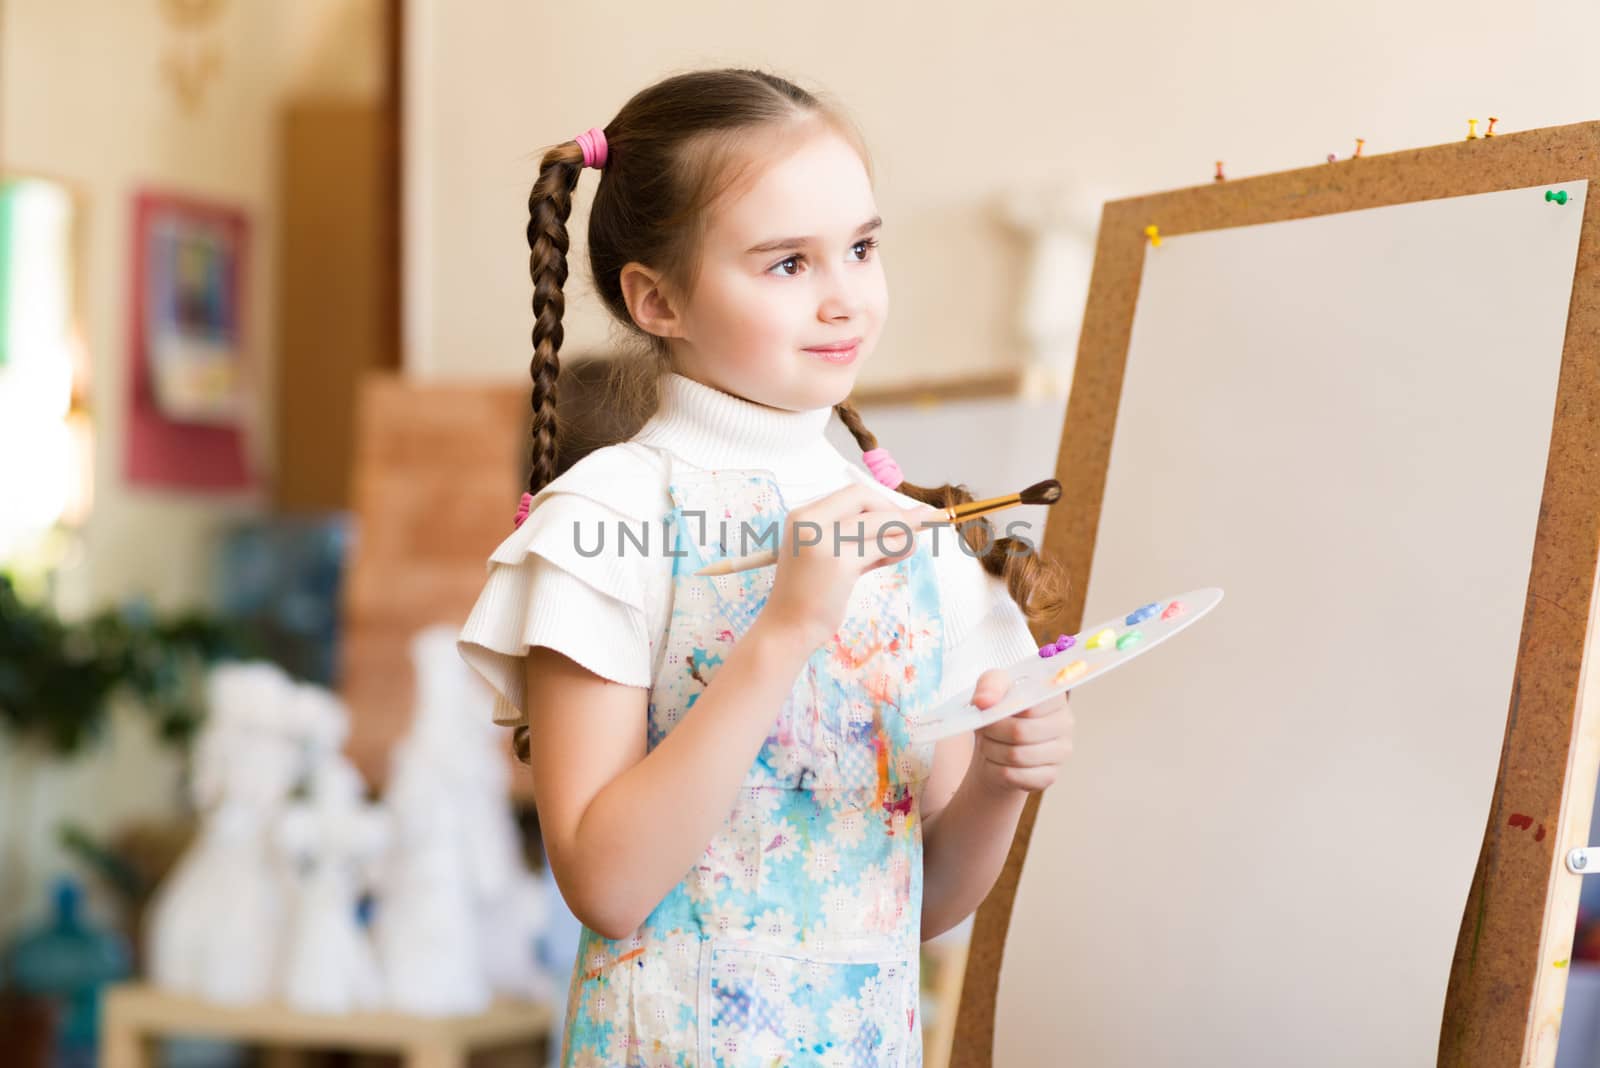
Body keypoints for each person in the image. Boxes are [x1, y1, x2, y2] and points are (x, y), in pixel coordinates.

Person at [458, 68, 1075, 1067]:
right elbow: (607, 886)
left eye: (862, 249)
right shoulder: (605, 516)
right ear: (656, 299)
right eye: (787, 264)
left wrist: (1004, 779)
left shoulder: (914, 538)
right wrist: (783, 630)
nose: (844, 299)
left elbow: (915, 903)